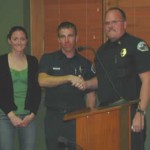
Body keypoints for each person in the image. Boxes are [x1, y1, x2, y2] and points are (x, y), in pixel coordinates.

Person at [78, 7, 150, 150]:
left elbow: (147, 80)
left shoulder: (136, 45)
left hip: (129, 112)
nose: (110, 26)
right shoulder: (101, 51)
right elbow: (101, 80)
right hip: (105, 113)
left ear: (124, 24)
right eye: (107, 23)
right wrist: (86, 84)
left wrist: (141, 113)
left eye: (114, 22)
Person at [38, 21, 96, 150]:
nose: (67, 40)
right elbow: (42, 80)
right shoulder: (48, 59)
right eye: (63, 36)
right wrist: (69, 78)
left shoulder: (85, 63)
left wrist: (88, 117)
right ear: (58, 39)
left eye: (70, 36)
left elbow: (91, 94)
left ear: (76, 37)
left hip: (77, 118)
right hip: (54, 118)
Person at [0, 26, 41, 150]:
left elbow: (36, 90)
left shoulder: (33, 61)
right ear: (9, 40)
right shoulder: (1, 61)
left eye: (22, 39)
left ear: (27, 41)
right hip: (5, 115)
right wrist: (11, 115)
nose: (19, 42)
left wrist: (33, 113)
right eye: (15, 39)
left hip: (28, 116)